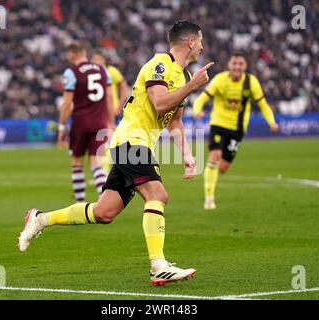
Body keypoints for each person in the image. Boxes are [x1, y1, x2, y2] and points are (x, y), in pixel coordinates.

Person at [18, 20, 213, 286]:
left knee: (104, 212)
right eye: (200, 40)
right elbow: (158, 105)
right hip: (131, 140)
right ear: (190, 42)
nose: (202, 45)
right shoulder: (159, 65)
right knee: (158, 195)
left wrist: (187, 155)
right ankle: (158, 266)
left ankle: (40, 219)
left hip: (138, 143)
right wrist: (193, 87)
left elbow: (175, 120)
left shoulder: (185, 76)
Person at [193, 52, 279, 210]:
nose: (237, 67)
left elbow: (263, 104)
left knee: (223, 167)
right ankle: (209, 198)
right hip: (218, 123)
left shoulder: (251, 82)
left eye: (240, 64)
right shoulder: (220, 79)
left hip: (238, 129)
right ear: (229, 65)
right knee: (215, 156)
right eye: (234, 63)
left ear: (245, 66)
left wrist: (272, 122)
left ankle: (211, 177)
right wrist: (197, 110)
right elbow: (202, 98)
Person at [57, 41, 115, 202]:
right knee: (96, 161)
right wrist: (111, 122)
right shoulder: (103, 70)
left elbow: (67, 103)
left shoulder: (71, 73)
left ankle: (80, 202)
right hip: (99, 122)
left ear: (71, 54)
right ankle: (103, 199)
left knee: (77, 162)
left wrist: (62, 126)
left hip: (80, 123)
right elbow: (109, 98)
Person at [91, 49, 130, 173]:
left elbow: (123, 87)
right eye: (94, 59)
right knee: (100, 142)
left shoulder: (111, 71)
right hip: (96, 112)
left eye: (98, 59)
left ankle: (108, 172)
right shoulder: (91, 74)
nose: (96, 62)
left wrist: (119, 104)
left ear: (104, 60)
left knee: (111, 140)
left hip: (110, 111)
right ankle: (104, 172)